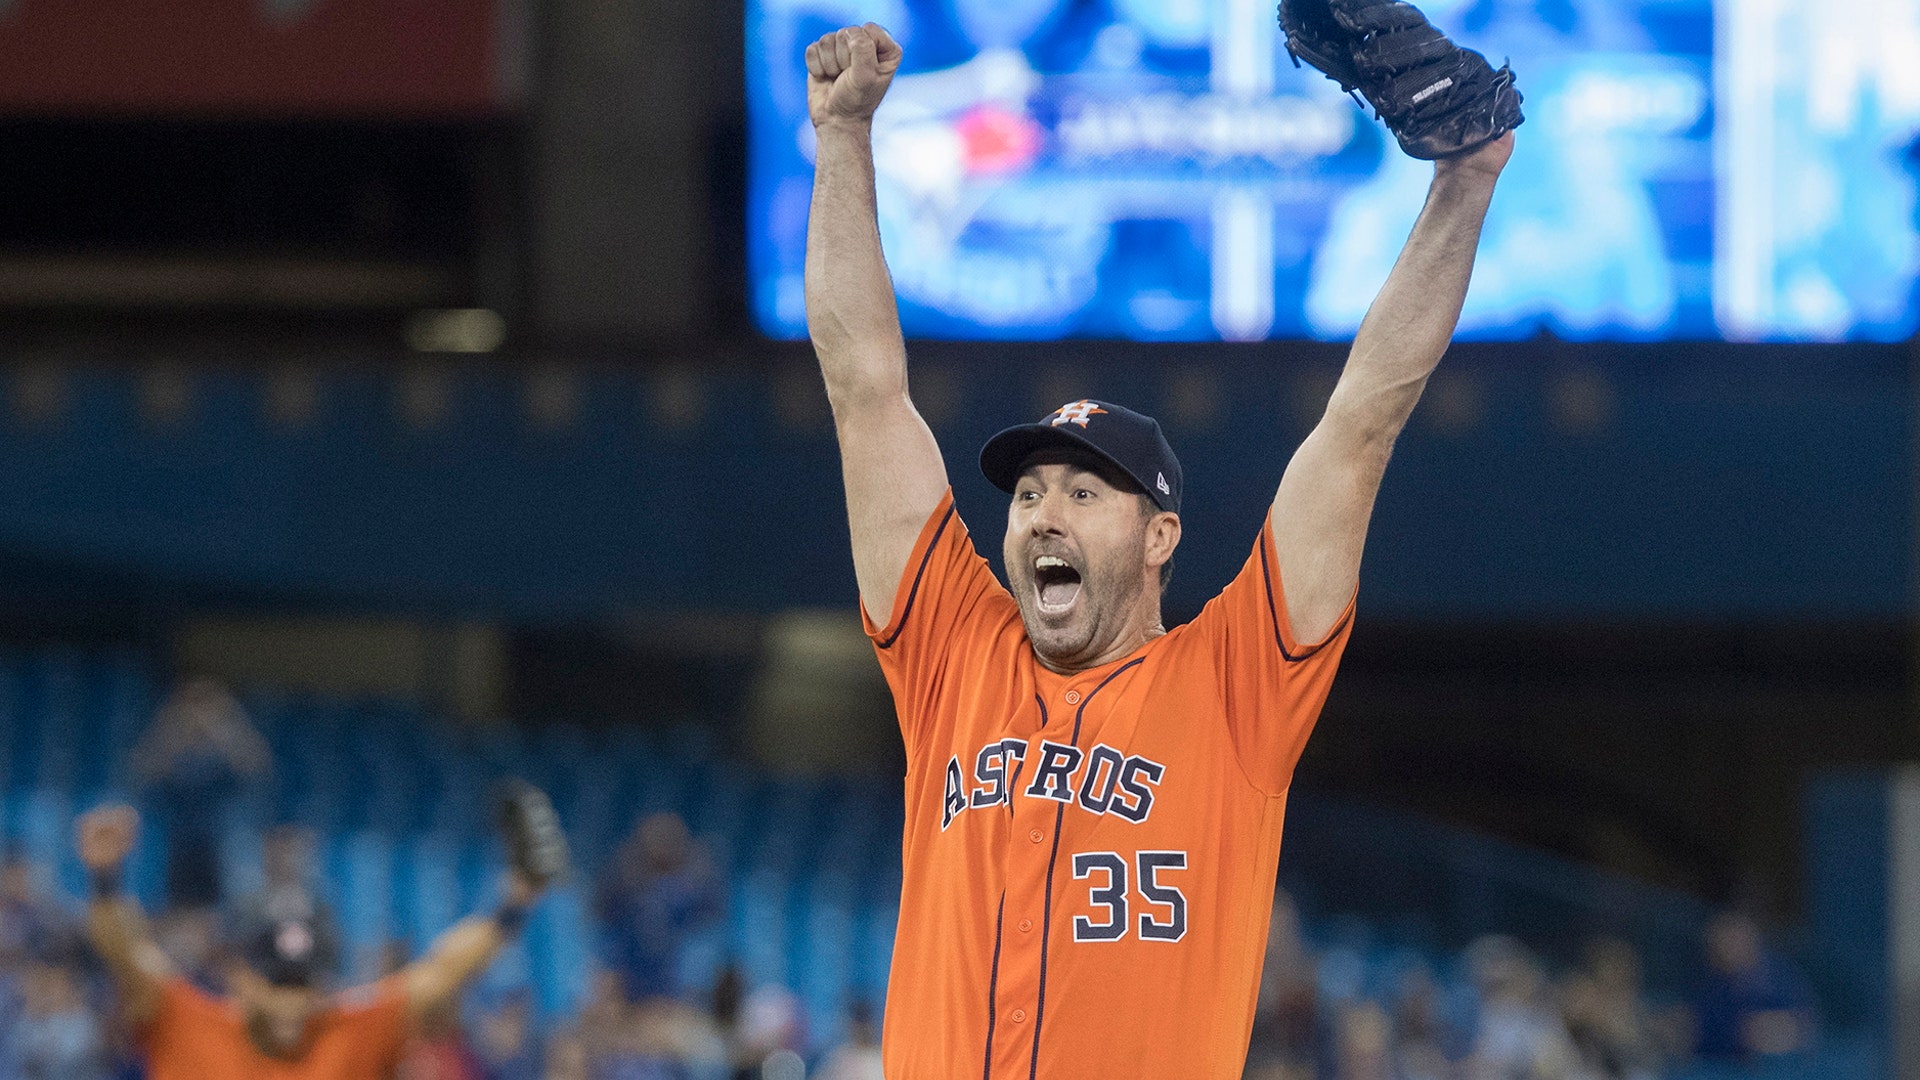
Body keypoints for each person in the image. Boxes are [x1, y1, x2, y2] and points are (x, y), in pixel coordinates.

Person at [802, 18, 1513, 1076]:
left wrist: (1468, 183)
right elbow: (866, 393)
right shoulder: (953, 652)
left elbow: (1361, 422)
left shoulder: (1238, 682)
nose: (1044, 512)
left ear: (1159, 536)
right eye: (1030, 491)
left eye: (1086, 492)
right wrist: (843, 139)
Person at [74, 799, 561, 1080]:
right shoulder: (189, 1023)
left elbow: (441, 974)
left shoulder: (352, 1030)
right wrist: (105, 880)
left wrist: (514, 904)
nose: (292, 1003)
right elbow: (127, 954)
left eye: (304, 983)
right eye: (278, 982)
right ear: (239, 976)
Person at [132, 678, 271, 911]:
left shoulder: (223, 759)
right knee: (178, 910)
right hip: (179, 844)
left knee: (220, 914)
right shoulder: (176, 756)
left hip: (219, 843)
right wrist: (174, 725)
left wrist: (227, 725)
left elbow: (256, 768)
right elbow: (145, 771)